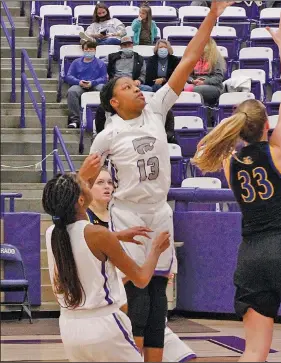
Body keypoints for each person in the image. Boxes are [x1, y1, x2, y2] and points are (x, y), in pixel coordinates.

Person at [89, 1, 235, 361]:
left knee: (157, 307)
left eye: (135, 82)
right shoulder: (108, 135)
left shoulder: (155, 109)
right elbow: (84, 181)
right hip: (127, 216)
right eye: (127, 86)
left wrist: (212, 16)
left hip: (159, 213)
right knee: (136, 303)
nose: (137, 85)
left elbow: (186, 61)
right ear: (113, 101)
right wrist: (94, 226)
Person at [192, 11, 281, 362]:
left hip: (250, 254)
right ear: (267, 124)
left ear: (238, 129)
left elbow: (209, 147)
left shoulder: (229, 161)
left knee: (254, 350)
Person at [42, 154, 171, 362]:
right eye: (85, 185)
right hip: (104, 326)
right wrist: (156, 249)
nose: (88, 184)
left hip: (69, 328)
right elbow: (141, 278)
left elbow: (82, 242)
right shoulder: (99, 235)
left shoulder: (53, 234)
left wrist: (116, 236)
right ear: (81, 200)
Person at [86, 168, 197, 362]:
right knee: (137, 305)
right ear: (87, 188)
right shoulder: (86, 222)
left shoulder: (132, 214)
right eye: (100, 182)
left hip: (146, 302)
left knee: (187, 358)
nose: (107, 187)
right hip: (109, 304)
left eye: (110, 183)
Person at [66, 41, 107, 129]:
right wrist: (79, 82)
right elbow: (69, 76)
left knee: (103, 89)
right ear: (83, 50)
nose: (88, 51)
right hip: (80, 85)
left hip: (95, 85)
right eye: (86, 49)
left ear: (95, 50)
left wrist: (93, 82)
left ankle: (103, 117)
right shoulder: (76, 62)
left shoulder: (101, 63)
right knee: (72, 91)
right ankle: (75, 120)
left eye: (91, 49)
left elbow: (103, 78)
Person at [185, 38, 226, 108]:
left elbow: (219, 78)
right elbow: (187, 75)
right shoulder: (195, 57)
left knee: (196, 90)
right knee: (182, 89)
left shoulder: (216, 58)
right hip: (196, 84)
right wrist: (192, 81)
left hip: (214, 87)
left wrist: (204, 82)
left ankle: (200, 110)